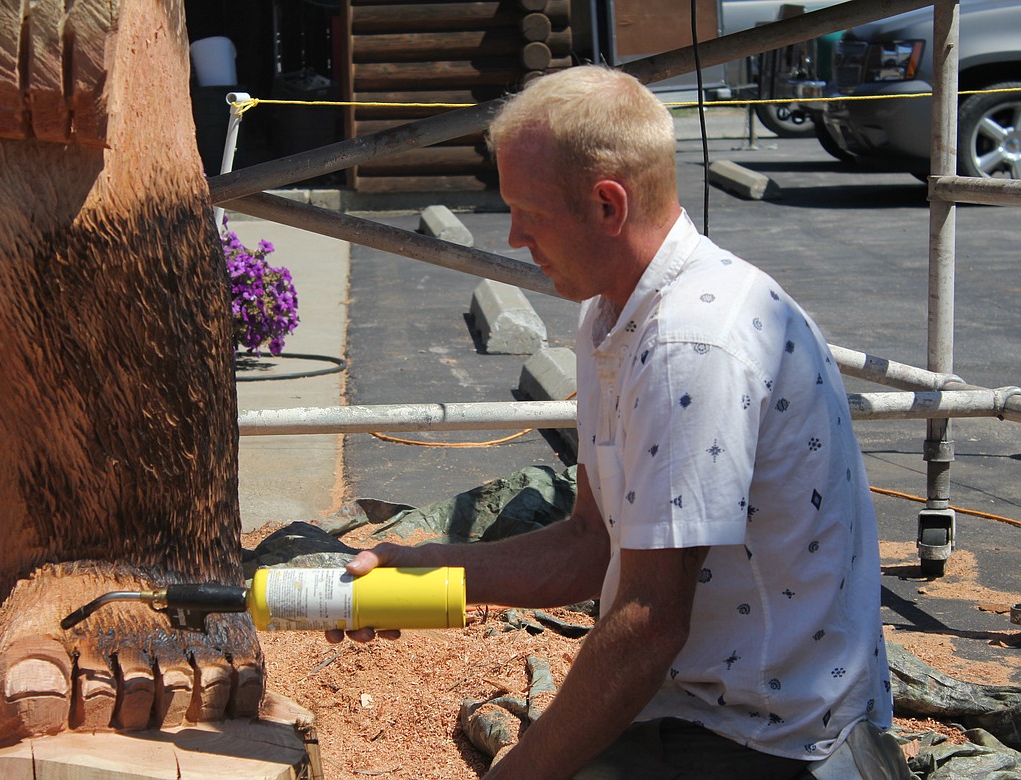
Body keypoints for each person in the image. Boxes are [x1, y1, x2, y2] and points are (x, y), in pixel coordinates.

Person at [329, 65, 901, 779]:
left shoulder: (691, 345)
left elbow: (649, 625)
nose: (512, 237)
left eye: (528, 214)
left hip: (772, 740)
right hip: (696, 709)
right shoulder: (610, 315)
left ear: (607, 205)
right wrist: (429, 569)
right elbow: (591, 544)